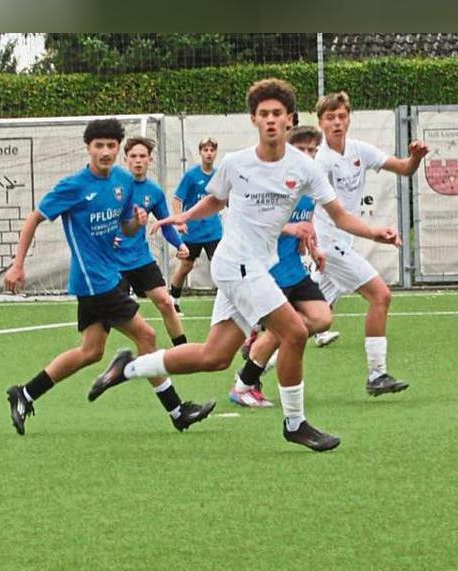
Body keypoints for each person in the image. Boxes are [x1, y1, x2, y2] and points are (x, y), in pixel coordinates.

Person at [87, 79, 402, 452]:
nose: (271, 120)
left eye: (278, 114)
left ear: (289, 120)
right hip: (237, 264)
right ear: (254, 119)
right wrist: (181, 217)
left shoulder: (304, 167)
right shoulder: (236, 163)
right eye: (264, 114)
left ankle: (128, 368)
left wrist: (373, 231)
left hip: (255, 265)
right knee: (296, 333)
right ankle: (295, 422)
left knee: (214, 357)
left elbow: (338, 215)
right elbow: (215, 202)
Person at [3, 118, 215, 436]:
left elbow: (126, 226)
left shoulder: (122, 181)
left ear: (118, 149)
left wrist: (137, 221)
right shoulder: (73, 187)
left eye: (111, 146)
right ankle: (176, 409)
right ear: (88, 148)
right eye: (99, 146)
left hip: (106, 274)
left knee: (90, 351)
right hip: (94, 281)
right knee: (146, 337)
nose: (105, 151)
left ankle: (25, 393)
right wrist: (18, 265)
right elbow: (34, 218)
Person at [312, 91, 429, 395]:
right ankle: (377, 374)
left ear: (349, 118)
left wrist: (415, 157)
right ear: (321, 123)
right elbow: (338, 217)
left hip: (341, 244)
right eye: (330, 117)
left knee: (308, 321)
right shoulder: (321, 162)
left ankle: (250, 370)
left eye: (341, 116)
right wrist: (374, 232)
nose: (337, 122)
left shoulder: (359, 150)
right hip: (328, 245)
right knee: (381, 295)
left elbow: (404, 169)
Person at [229, 125, 335, 408]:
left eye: (313, 150)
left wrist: (313, 248)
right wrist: (291, 229)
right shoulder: (273, 183)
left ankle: (256, 350)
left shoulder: (310, 184)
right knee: (282, 331)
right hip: (269, 268)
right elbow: (256, 225)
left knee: (322, 318)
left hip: (294, 268)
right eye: (302, 149)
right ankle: (243, 386)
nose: (308, 155)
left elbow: (307, 222)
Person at [116, 136, 189, 347]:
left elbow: (165, 224)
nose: (138, 160)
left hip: (140, 258)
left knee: (166, 302)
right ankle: (138, 343)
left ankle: (182, 349)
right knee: (114, 314)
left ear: (149, 160)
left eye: (142, 156)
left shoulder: (154, 191)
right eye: (133, 156)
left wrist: (180, 244)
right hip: (114, 263)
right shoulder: (114, 187)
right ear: (126, 159)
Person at [169, 136, 223, 316]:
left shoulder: (219, 175)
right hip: (192, 231)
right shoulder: (191, 176)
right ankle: (173, 300)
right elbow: (177, 199)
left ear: (215, 153)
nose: (209, 153)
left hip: (213, 231)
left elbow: (226, 198)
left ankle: (225, 302)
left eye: (212, 150)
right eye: (205, 150)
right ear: (200, 152)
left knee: (221, 265)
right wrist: (179, 220)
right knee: (186, 266)